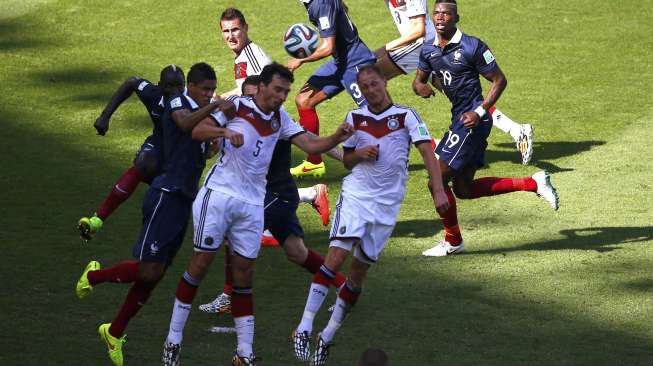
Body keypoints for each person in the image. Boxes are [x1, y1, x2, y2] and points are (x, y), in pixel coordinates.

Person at [161, 63, 354, 366]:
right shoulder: (236, 106)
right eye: (278, 89)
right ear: (262, 87)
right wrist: (224, 130)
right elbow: (197, 131)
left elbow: (312, 144)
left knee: (244, 276)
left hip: (252, 204)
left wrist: (339, 135)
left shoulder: (281, 119)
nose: (281, 96)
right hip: (220, 196)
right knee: (200, 265)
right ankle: (173, 341)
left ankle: (244, 352)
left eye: (286, 92)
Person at [75, 63, 240, 366]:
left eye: (212, 90)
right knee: (148, 269)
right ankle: (94, 276)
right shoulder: (179, 101)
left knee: (155, 274)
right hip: (166, 194)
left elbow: (200, 146)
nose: (209, 94)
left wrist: (213, 144)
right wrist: (217, 107)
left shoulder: (197, 110)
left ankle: (114, 332)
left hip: (183, 198)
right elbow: (183, 124)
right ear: (190, 86)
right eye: (205, 89)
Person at [291, 65, 449, 366]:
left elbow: (428, 151)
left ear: (384, 83)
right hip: (357, 197)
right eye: (364, 87)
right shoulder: (355, 118)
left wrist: (438, 190)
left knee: (357, 275)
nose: (369, 90)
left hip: (387, 206)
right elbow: (348, 160)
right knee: (335, 258)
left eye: (373, 84)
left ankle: (327, 336)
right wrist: (358, 155)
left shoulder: (406, 116)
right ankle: (304, 326)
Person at [413, 0, 559, 257]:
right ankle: (533, 183)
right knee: (463, 189)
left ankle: (453, 240)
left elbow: (499, 80)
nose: (440, 17)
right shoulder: (428, 50)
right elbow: (419, 81)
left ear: (456, 17)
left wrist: (479, 112)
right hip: (458, 119)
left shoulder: (473, 46)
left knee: (436, 178)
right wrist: (421, 87)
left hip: (472, 122)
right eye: (436, 13)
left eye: (446, 13)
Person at [198, 75, 347, 317]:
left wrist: (344, 153)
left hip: (276, 194)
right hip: (267, 193)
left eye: (252, 96)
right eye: (245, 97)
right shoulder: (241, 116)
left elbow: (310, 140)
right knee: (297, 252)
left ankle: (229, 296)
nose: (249, 102)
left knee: (232, 233)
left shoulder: (277, 121)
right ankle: (344, 286)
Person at [219, 7, 336, 232]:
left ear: (245, 28)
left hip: (266, 124)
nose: (231, 36)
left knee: (256, 175)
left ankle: (267, 228)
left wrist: (219, 100)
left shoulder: (251, 55)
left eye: (235, 30)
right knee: (262, 175)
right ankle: (310, 196)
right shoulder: (243, 56)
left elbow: (255, 90)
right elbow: (245, 89)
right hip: (262, 122)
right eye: (226, 31)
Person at [374, 0, 534, 164]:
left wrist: (380, 51)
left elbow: (418, 30)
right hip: (426, 49)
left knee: (370, 78)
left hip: (422, 46)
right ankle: (516, 130)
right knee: (461, 97)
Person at [77, 65, 185, 240]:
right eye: (169, 86)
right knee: (143, 163)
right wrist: (105, 116)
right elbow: (132, 82)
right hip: (159, 147)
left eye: (179, 85)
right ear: (159, 85)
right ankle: (98, 219)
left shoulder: (192, 103)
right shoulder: (153, 94)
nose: (175, 91)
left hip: (182, 157)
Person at [288, 0, 376, 178]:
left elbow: (327, 47)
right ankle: (314, 161)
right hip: (340, 63)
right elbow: (344, 7)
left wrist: (301, 60)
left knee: (375, 114)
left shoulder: (320, 3)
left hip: (355, 63)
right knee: (304, 100)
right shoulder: (315, 3)